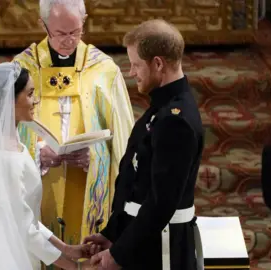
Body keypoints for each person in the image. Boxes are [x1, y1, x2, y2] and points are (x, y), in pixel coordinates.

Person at [83, 19, 205, 270]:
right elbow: (134, 184)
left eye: (136, 64)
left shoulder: (175, 121)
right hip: (144, 242)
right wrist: (112, 233)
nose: (131, 72)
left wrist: (119, 254)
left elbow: (161, 203)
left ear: (158, 63)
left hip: (161, 251)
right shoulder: (161, 108)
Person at [0, 62, 95, 270]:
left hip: (15, 248)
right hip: (5, 256)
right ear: (9, 101)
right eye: (29, 94)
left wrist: (66, 248)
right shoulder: (4, 155)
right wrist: (71, 265)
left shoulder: (13, 141)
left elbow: (25, 215)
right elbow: (24, 228)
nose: (35, 101)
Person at [13, 0, 134, 243]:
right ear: (43, 25)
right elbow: (6, 132)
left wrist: (96, 157)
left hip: (88, 186)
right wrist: (36, 155)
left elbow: (124, 140)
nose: (69, 40)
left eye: (76, 32)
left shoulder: (104, 69)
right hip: (42, 185)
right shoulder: (22, 67)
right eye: (60, 33)